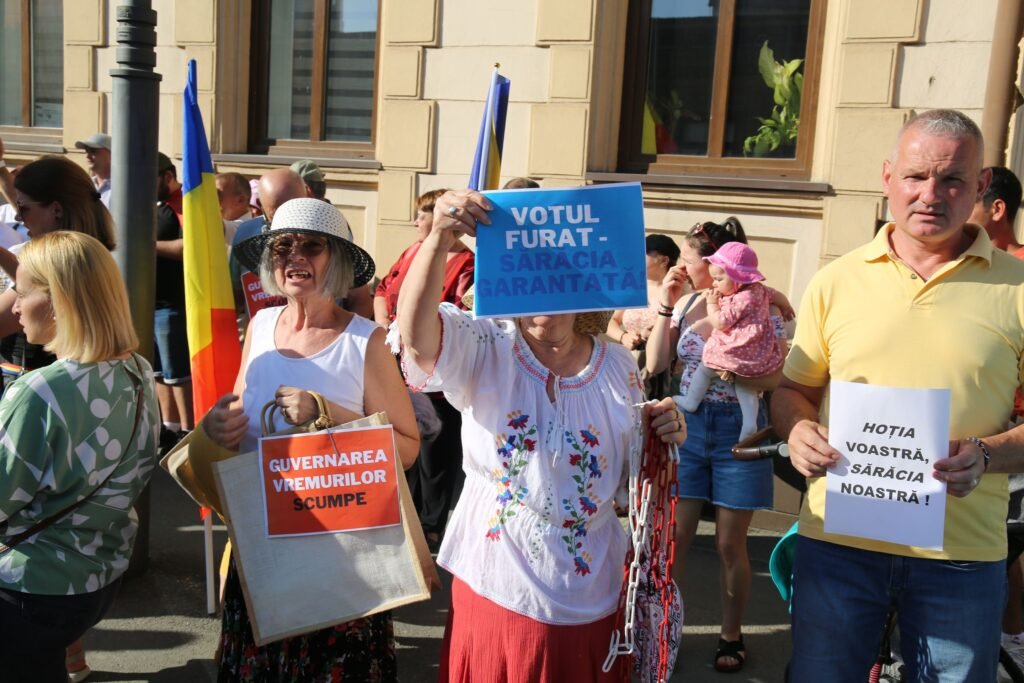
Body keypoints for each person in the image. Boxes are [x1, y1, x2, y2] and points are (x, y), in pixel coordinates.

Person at [771, 109, 1024, 682]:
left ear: (982, 185)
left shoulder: (1017, 288)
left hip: (961, 556)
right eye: (915, 176)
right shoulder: (836, 280)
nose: (930, 194)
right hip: (839, 545)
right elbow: (792, 390)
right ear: (888, 177)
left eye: (952, 179)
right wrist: (797, 428)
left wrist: (986, 455)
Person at [397, 188, 686, 681]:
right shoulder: (485, 345)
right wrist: (439, 238)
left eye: (559, 283)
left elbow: (628, 483)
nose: (545, 305)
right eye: (533, 284)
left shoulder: (618, 365)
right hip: (498, 577)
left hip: (593, 586)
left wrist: (664, 434)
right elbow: (417, 340)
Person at [205, 197, 420, 680]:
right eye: (282, 247)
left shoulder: (365, 342)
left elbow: (407, 449)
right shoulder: (261, 326)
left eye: (311, 246)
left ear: (337, 259)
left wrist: (327, 413)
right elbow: (239, 415)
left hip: (339, 556)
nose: (294, 256)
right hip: (261, 542)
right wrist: (217, 425)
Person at [0, 231, 159, 683]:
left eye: (21, 292)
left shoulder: (39, 391)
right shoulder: (138, 370)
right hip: (98, 578)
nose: (13, 305)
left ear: (59, 301)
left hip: (28, 588)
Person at [645, 217, 789, 673]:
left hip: (738, 431)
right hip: (687, 428)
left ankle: (730, 633)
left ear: (716, 264)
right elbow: (656, 364)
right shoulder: (689, 302)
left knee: (730, 543)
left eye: (689, 260)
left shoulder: (762, 304)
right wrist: (666, 305)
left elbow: (778, 376)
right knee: (676, 537)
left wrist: (736, 373)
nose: (682, 267)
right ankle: (664, 630)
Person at [374, 188, 473, 549]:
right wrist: (386, 327)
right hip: (397, 359)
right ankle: (408, 517)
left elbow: (461, 312)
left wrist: (416, 332)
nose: (416, 221)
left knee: (436, 451)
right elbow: (383, 288)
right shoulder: (412, 251)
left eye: (422, 214)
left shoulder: (467, 264)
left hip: (436, 368)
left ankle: (432, 525)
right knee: (404, 441)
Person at [970, 165, 1024, 673]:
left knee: (1012, 543)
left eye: (970, 197)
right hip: (971, 433)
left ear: (996, 208)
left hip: (1013, 436)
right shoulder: (963, 269)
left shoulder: (1019, 273)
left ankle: (1012, 636)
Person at [678, 241, 787, 441]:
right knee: (747, 387)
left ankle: (691, 401)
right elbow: (777, 295)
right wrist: (786, 306)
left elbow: (720, 322)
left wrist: (712, 303)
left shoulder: (740, 300)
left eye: (719, 279)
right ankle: (749, 424)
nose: (714, 284)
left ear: (738, 277)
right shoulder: (760, 291)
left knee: (704, 369)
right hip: (754, 357)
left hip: (732, 353)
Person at [607, 233, 680, 400]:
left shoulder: (679, 291)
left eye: (644, 253)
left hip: (665, 376)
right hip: (629, 369)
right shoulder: (634, 285)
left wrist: (655, 335)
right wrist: (623, 336)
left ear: (664, 260)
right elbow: (611, 321)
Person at [153, 153, 193, 443]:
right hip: (150, 304)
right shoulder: (156, 205)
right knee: (158, 373)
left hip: (173, 306)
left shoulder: (184, 204)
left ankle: (188, 433)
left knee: (178, 374)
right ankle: (169, 429)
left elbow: (189, 247)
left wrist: (145, 244)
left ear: (168, 176)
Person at [73, 133, 113, 209]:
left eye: (93, 151)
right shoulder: (85, 186)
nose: (87, 156)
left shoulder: (121, 188)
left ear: (111, 154)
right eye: (87, 151)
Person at [216, 171, 252, 245]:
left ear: (240, 200)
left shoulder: (247, 228)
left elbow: (215, 224)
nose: (214, 201)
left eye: (218, 195)